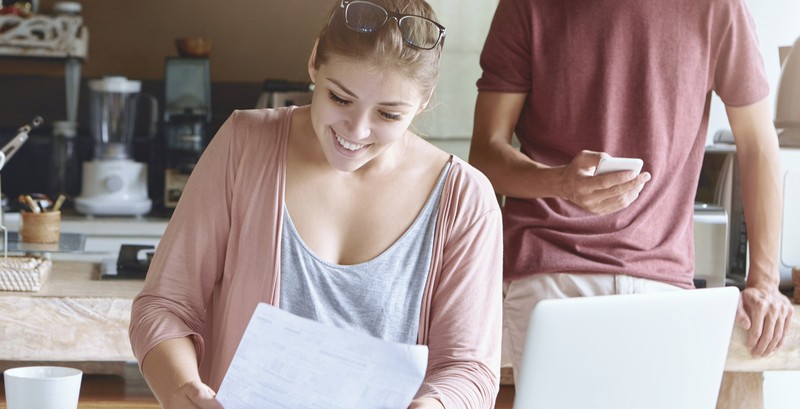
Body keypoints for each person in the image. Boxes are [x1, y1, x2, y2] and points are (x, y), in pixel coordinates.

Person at [129, 1, 503, 408]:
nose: (356, 131)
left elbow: (469, 368)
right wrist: (181, 388)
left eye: (389, 114)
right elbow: (164, 307)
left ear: (425, 98)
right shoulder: (244, 144)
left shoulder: (465, 200)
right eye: (340, 99)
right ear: (313, 64)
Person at [469, 0, 794, 381]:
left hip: (665, 282)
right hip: (550, 271)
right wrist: (560, 183)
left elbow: (757, 144)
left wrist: (765, 283)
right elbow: (485, 156)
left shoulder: (718, 7)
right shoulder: (526, 6)